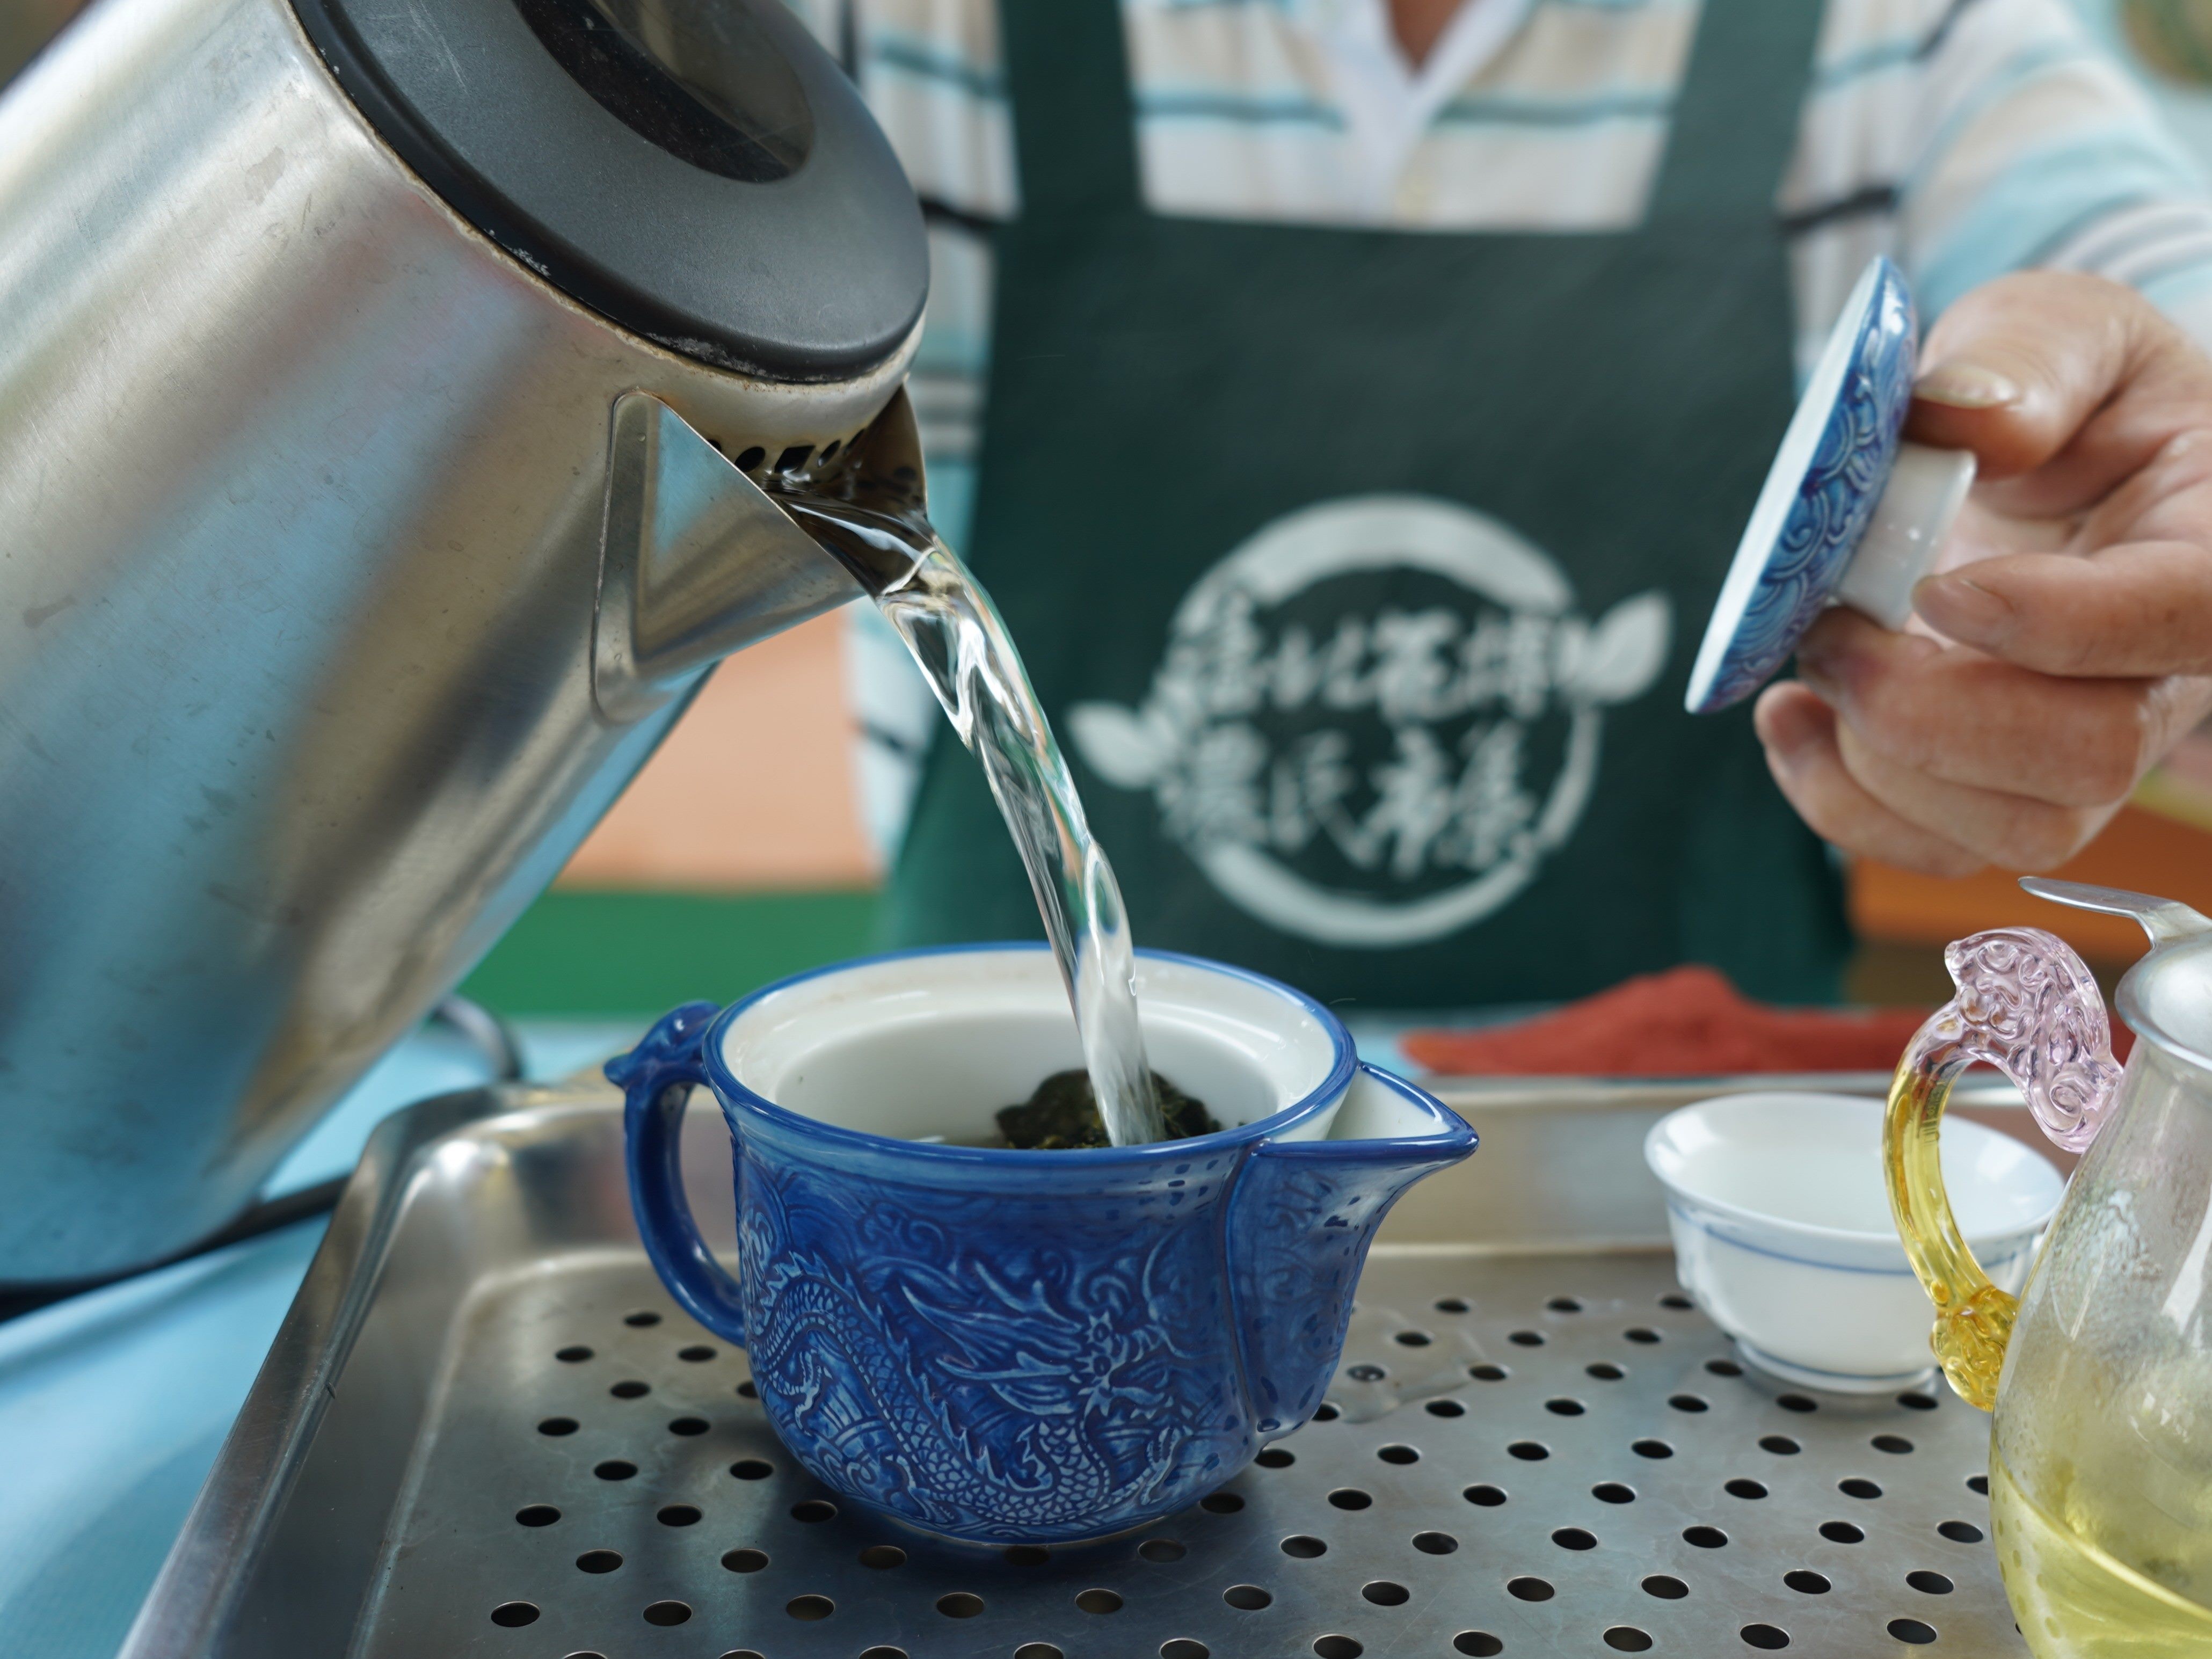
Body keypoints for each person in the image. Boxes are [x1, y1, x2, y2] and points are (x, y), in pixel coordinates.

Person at [809, 0, 2212, 1005]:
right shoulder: (872, 38)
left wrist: (2153, 579)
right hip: (1024, 1158)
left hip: (1651, 1198)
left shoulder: (1901, 36)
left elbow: (2163, 316)